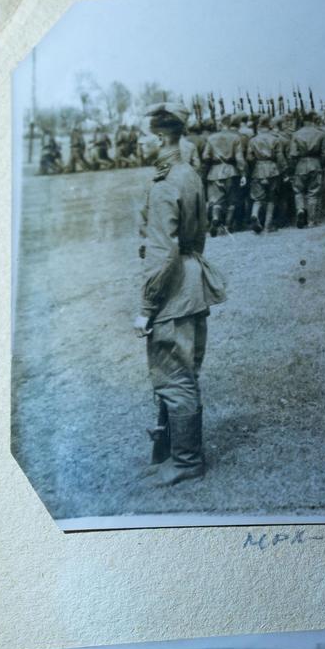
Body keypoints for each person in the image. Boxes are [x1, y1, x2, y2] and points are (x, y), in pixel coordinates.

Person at [135, 103, 210, 486]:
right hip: (192, 283)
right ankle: (172, 452)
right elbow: (199, 236)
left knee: (174, 374)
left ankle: (185, 462)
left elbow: (163, 254)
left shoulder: (165, 184)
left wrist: (146, 307)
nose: (137, 142)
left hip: (172, 290)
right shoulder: (189, 174)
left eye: (143, 135)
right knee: (184, 370)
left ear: (161, 137)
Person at [201, 114, 247, 235]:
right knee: (232, 200)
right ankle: (228, 225)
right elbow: (239, 158)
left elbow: (205, 156)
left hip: (214, 172)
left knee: (216, 201)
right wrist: (243, 174)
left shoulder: (211, 138)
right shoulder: (235, 137)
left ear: (220, 124)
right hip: (231, 171)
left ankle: (215, 218)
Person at [288, 110, 325, 227]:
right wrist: (323, 165)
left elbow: (292, 154)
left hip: (300, 165)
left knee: (298, 191)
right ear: (313, 120)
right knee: (313, 193)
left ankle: (301, 210)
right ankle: (312, 221)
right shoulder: (321, 134)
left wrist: (292, 170)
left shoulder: (295, 134)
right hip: (315, 164)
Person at [246, 115, 287, 233]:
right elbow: (280, 157)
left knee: (257, 199)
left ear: (259, 126)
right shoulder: (275, 139)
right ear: (270, 126)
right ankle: (268, 226)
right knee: (271, 199)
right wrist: (284, 171)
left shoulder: (253, 140)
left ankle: (254, 215)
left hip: (258, 170)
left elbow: (249, 158)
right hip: (273, 170)